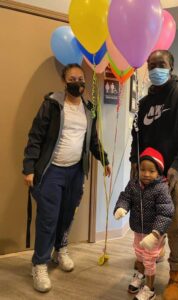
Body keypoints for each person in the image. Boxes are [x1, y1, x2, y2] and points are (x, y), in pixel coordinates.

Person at [23, 63, 111, 293]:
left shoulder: (89, 108)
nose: (78, 82)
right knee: (48, 218)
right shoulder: (52, 104)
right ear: (64, 81)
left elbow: (93, 141)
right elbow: (35, 137)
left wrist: (105, 159)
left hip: (75, 172)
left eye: (81, 78)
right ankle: (39, 263)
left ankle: (60, 250)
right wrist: (29, 168)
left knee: (67, 214)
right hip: (51, 171)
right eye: (72, 78)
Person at [130, 50, 178, 300]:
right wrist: (134, 163)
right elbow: (136, 138)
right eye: (151, 65)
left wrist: (175, 169)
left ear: (171, 66)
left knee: (175, 218)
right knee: (144, 214)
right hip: (150, 173)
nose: (155, 69)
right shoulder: (143, 104)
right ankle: (147, 258)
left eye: (160, 64)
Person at [114, 147, 174, 300]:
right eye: (143, 169)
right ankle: (140, 275)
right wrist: (121, 207)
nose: (146, 174)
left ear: (158, 172)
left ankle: (150, 288)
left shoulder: (161, 189)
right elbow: (126, 197)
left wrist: (155, 234)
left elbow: (165, 213)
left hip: (153, 234)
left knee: (149, 259)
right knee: (139, 255)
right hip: (138, 230)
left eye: (151, 171)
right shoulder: (134, 184)